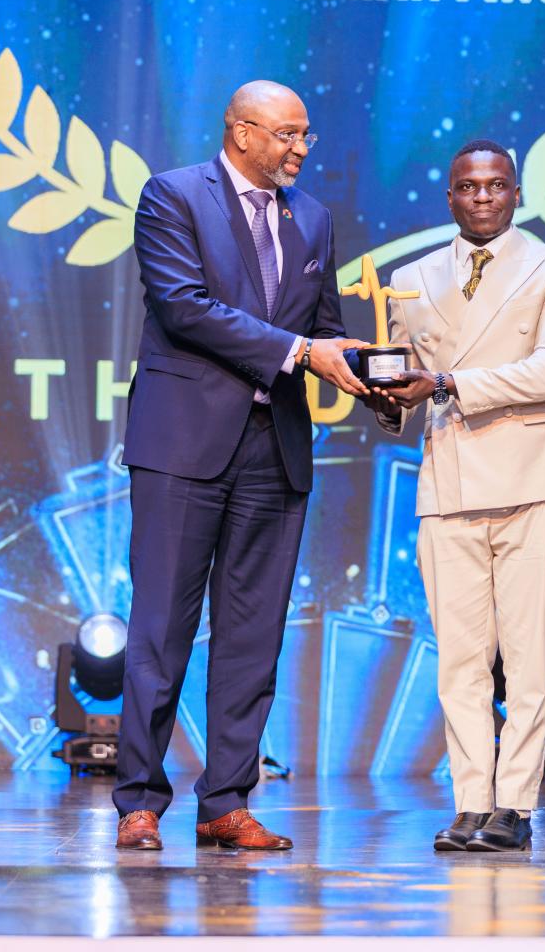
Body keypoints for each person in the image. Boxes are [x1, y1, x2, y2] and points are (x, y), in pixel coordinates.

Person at [113, 80, 368, 851]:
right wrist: (301, 351)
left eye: (306, 135)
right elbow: (183, 305)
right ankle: (139, 801)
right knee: (162, 630)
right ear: (242, 131)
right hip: (182, 447)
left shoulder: (312, 218)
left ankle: (226, 800)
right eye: (287, 134)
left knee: (253, 638)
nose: (300, 149)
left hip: (273, 449)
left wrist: (377, 377)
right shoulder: (172, 196)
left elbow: (324, 330)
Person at [367, 139, 545, 853]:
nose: (482, 196)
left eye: (495, 185)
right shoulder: (411, 278)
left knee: (525, 659)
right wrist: (381, 398)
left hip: (533, 483)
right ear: (451, 196)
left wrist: (445, 383)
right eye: (468, 186)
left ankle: (515, 804)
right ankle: (471, 802)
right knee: (459, 661)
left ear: (516, 192)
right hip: (450, 484)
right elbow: (405, 385)